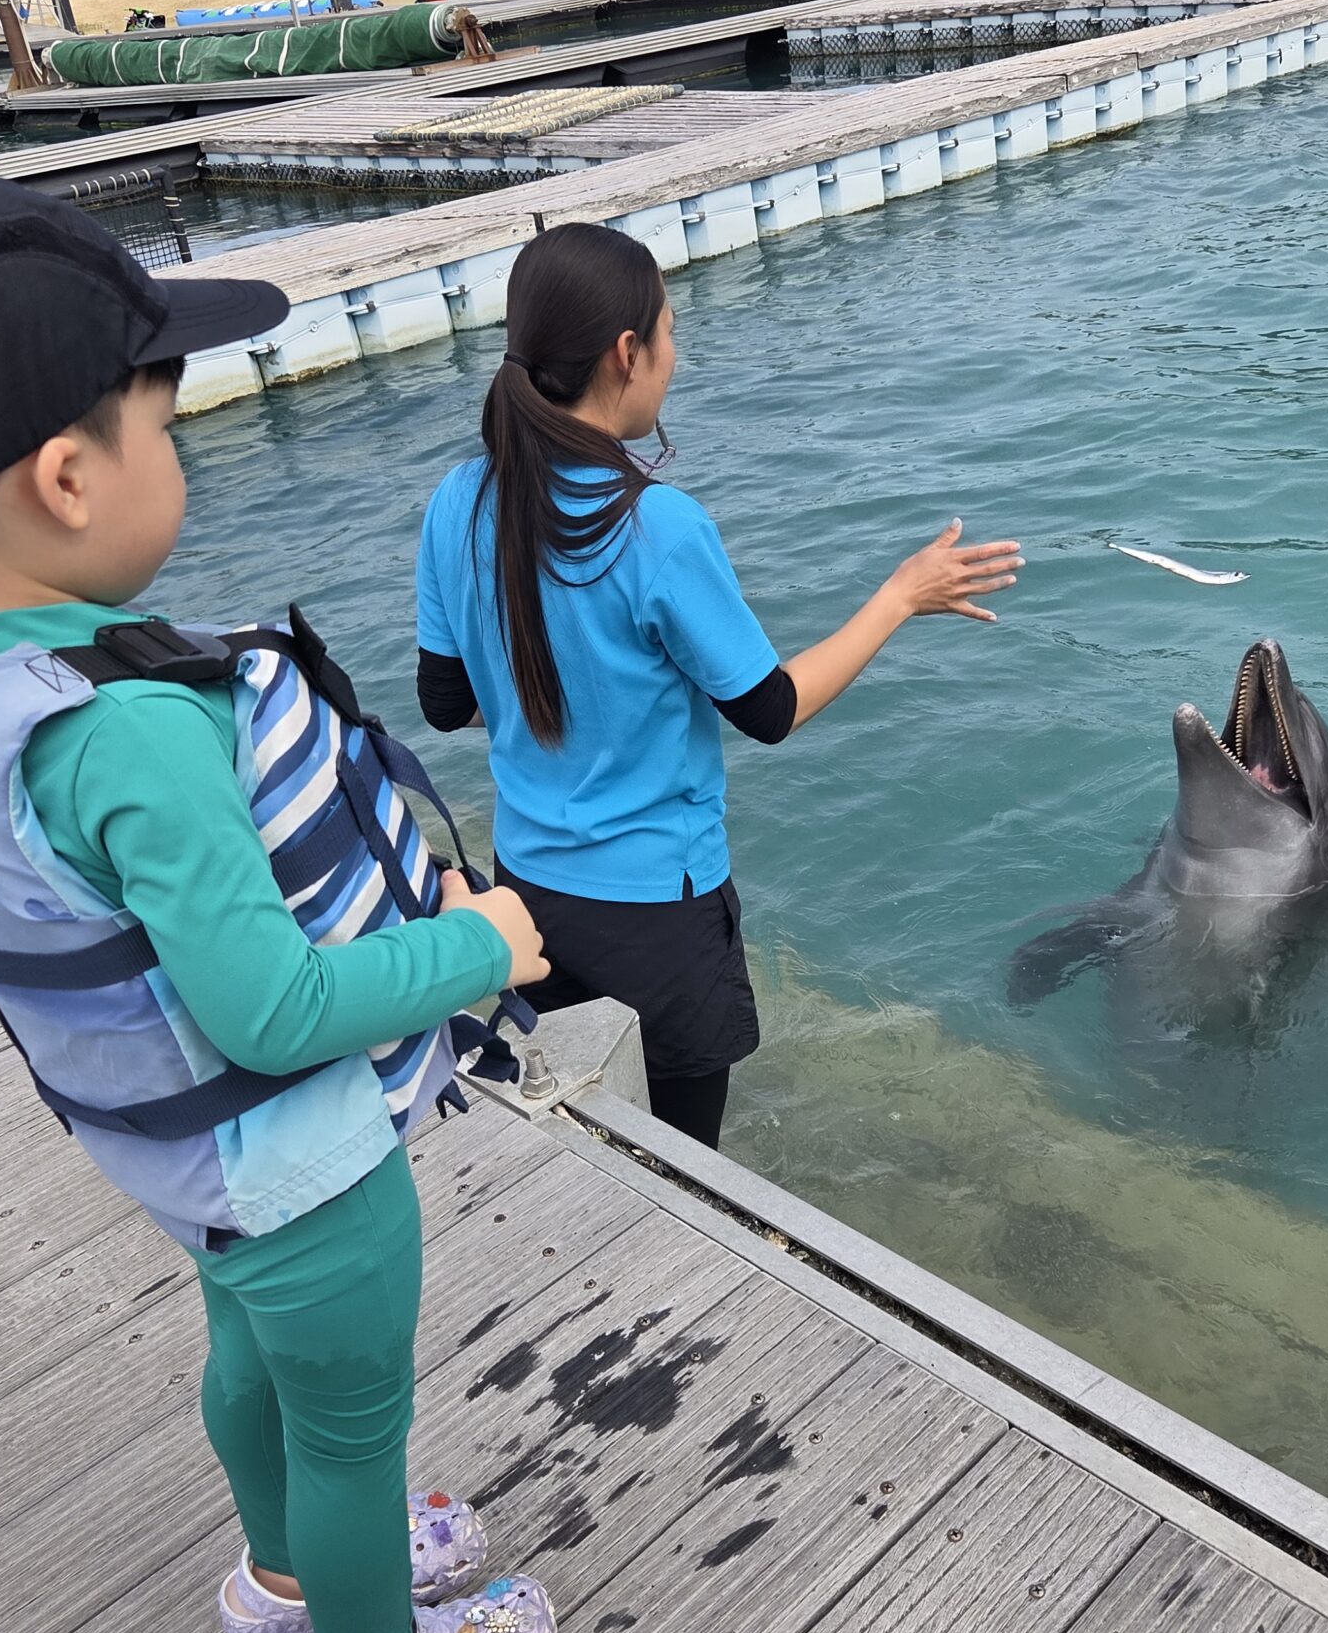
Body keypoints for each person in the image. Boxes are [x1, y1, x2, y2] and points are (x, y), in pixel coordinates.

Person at [0, 168, 557, 1633]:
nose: (173, 459)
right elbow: (267, 1014)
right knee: (347, 1421)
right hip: (300, 1170)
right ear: (61, 477)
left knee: (249, 1359)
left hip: (176, 1163)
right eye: (161, 431)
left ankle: (275, 1574)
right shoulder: (129, 738)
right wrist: (483, 945)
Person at [416, 222, 1022, 1151]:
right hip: (660, 911)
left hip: (527, 893)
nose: (675, 354)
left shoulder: (459, 499)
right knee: (685, 1172)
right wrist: (900, 597)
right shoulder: (657, 525)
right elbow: (770, 709)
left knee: (577, 1139)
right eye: (668, 332)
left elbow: (443, 703)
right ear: (627, 355)